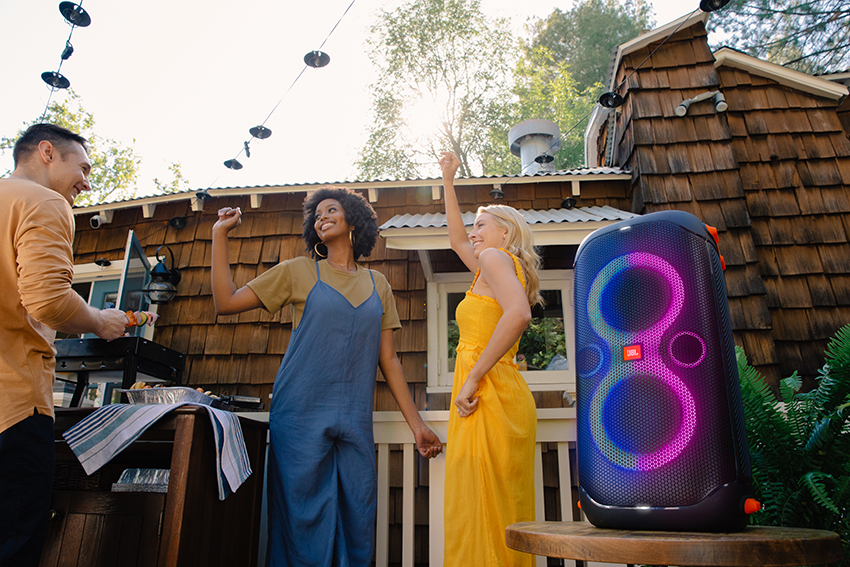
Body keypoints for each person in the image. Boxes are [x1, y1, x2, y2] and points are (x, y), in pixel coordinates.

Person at [211, 187, 442, 567]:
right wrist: (220, 234)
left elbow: (389, 359)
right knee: (300, 521)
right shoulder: (298, 271)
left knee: (358, 514)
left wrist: (417, 426)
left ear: (353, 220)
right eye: (316, 215)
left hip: (354, 417)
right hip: (299, 413)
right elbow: (226, 302)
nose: (322, 218)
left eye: (331, 210)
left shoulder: (379, 284)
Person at [0, 124, 130, 565]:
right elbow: (49, 300)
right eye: (84, 168)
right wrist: (99, 320)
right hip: (12, 408)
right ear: (47, 152)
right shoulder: (43, 201)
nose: (86, 182)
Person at [438, 151, 542, 566]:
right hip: (493, 392)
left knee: (486, 508)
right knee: (486, 507)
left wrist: (470, 378)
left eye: (481, 224)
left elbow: (519, 314)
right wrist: (448, 181)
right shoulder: (492, 265)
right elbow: (457, 241)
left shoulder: (496, 258)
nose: (473, 232)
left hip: (488, 392)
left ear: (506, 231)